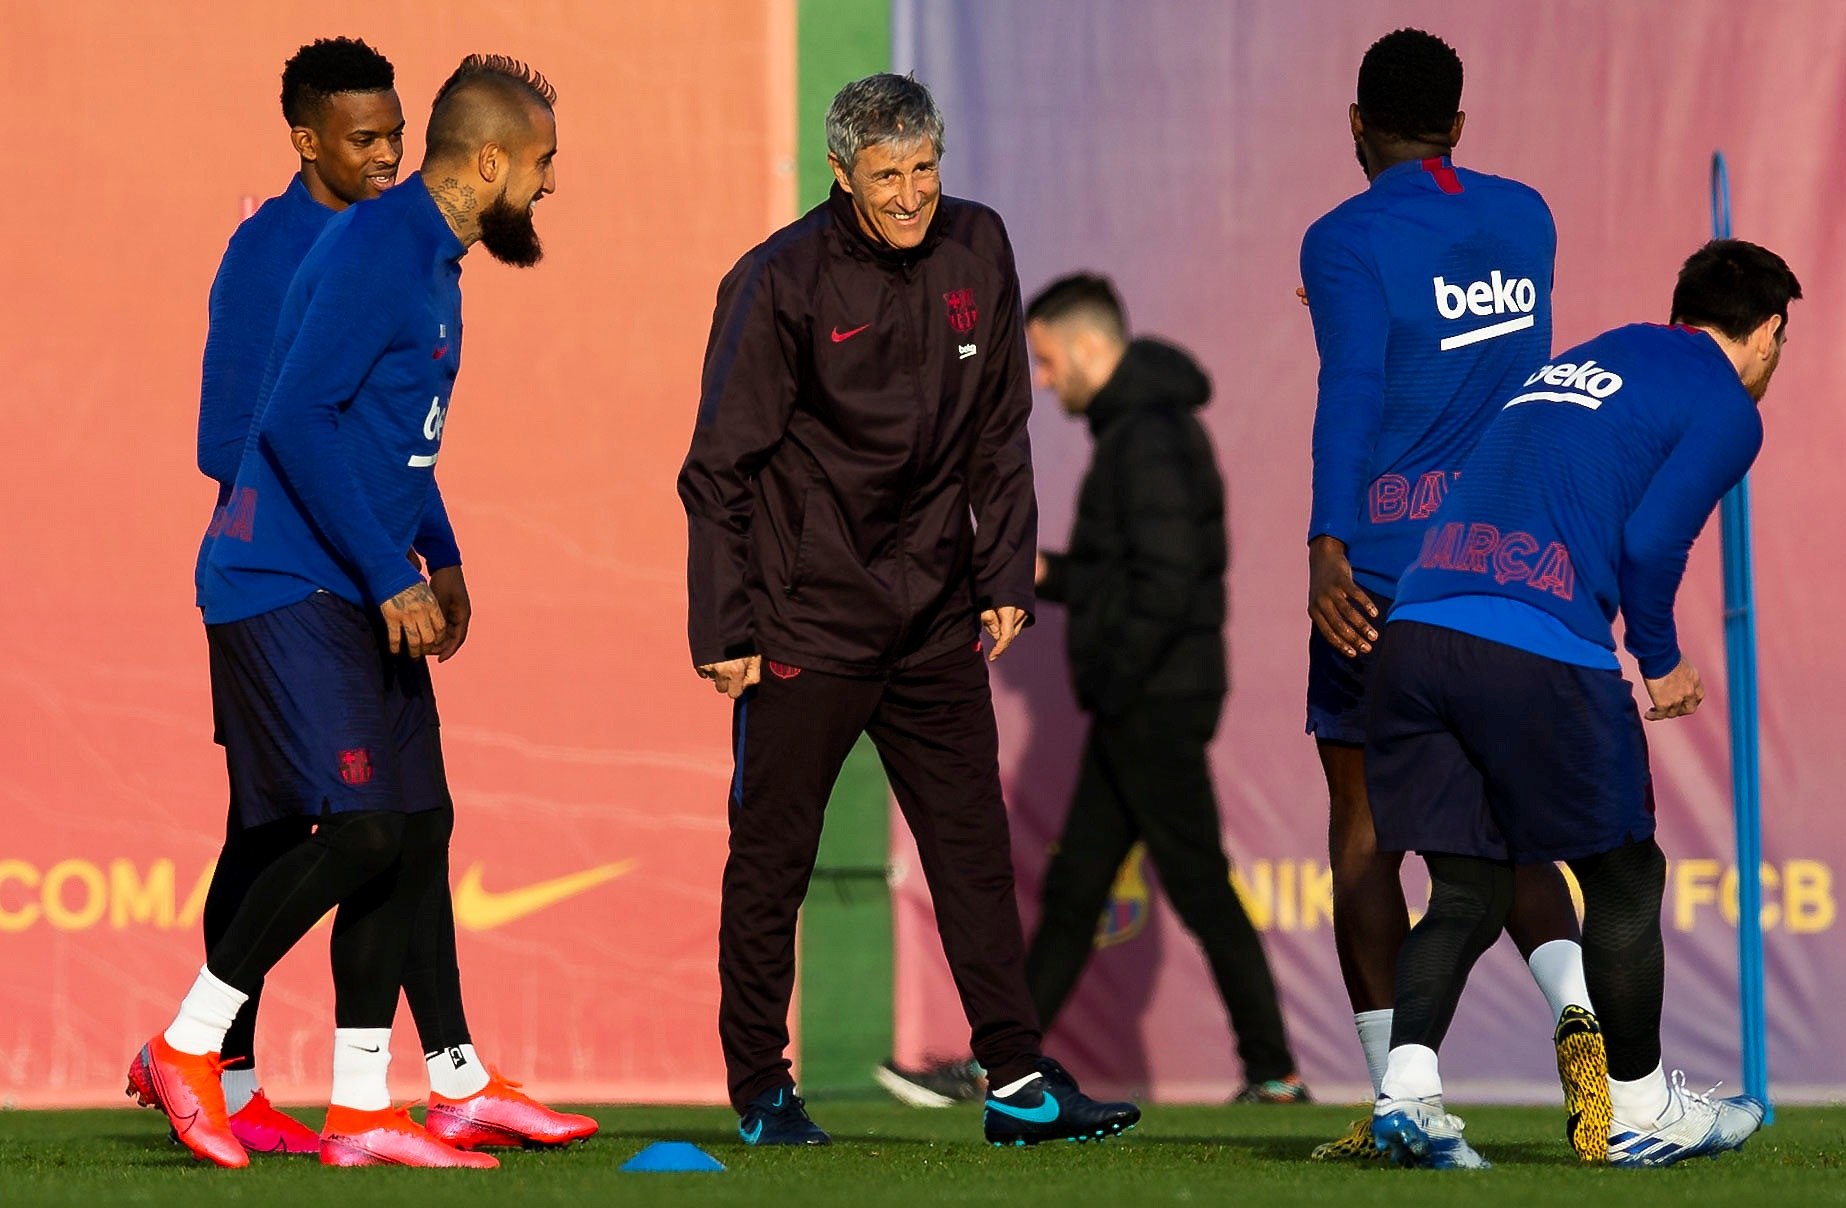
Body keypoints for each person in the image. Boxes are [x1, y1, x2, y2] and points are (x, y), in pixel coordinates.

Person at [678, 72, 1139, 1149]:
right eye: (885, 175)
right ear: (841, 174)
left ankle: (1017, 1080)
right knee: (772, 857)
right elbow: (717, 471)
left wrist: (1006, 576)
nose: (910, 193)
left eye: (924, 168)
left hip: (933, 616)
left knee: (974, 850)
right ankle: (761, 1091)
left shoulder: (980, 245)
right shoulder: (776, 280)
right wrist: (726, 627)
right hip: (805, 623)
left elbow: (1001, 432)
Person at [127, 54, 563, 1170]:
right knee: (341, 827)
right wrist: (386, 567)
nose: (551, 187)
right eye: (545, 167)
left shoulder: (430, 256)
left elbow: (388, 436)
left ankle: (369, 1104)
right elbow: (282, 424)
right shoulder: (363, 249)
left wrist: (439, 551)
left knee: (412, 826)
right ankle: (194, 1045)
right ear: (491, 162)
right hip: (287, 582)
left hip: (354, 574)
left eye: (393, 134)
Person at [1366, 239, 1798, 1168]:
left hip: (1417, 629)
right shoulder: (1727, 404)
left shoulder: (1598, 353)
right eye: (1781, 342)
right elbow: (1648, 545)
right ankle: (1639, 1109)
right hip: (1533, 644)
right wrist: (1662, 658)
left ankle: (1406, 1098)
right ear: (1767, 334)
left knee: (1470, 888)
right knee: (1625, 879)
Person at [880, 274, 1307, 1109]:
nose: (1042, 379)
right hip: (1142, 697)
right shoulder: (1136, 432)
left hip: (1151, 700)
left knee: (1193, 884)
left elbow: (1169, 580)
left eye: (1045, 360)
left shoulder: (1146, 437)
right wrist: (1050, 575)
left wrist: (1118, 670)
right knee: (1077, 891)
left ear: (1085, 346)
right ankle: (1005, 1061)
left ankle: (1274, 1071)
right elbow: (1133, 571)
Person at [1298, 27, 1607, 1161]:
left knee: (1366, 834)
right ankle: (1596, 1064)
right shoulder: (1526, 216)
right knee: (1518, 828)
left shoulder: (1343, 238)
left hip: (1381, 572)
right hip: (1505, 566)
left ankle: (1402, 1103)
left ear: (1356, 127)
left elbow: (1355, 388)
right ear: (1458, 126)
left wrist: (1327, 541)